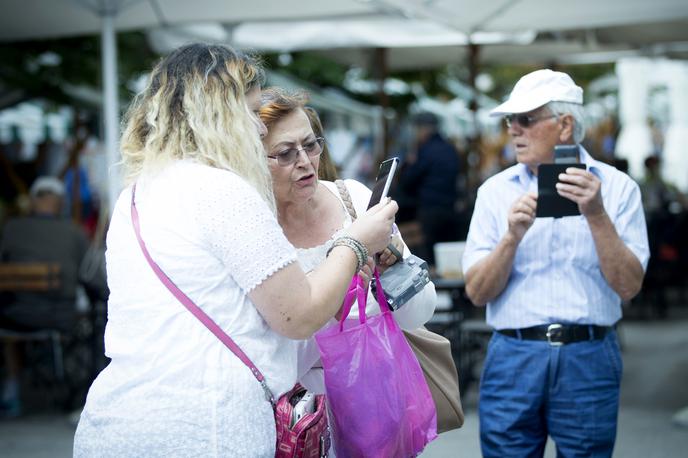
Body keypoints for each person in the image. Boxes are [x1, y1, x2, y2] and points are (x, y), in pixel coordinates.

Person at [73, 43, 397, 456]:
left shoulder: (135, 194)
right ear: (219, 117)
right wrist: (355, 242)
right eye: (250, 113)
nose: (261, 129)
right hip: (206, 428)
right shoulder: (223, 190)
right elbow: (296, 316)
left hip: (117, 420)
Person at [462, 69, 649, 457]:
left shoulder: (616, 188)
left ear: (565, 125)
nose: (513, 129)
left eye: (525, 119)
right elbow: (477, 293)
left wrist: (596, 215)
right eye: (511, 120)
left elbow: (629, 286)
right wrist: (511, 237)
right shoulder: (494, 193)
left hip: (588, 355)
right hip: (514, 354)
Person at [258, 88, 436, 396]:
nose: (305, 161)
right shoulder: (252, 226)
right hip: (295, 419)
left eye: (311, 145)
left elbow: (419, 314)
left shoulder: (352, 197)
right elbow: (267, 356)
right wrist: (337, 299)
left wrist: (390, 273)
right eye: (286, 153)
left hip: (375, 397)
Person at [0, 176, 101, 417]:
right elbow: (91, 276)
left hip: (13, 318)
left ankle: (12, 385)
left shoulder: (11, 229)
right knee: (92, 319)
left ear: (34, 202)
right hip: (59, 318)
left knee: (10, 322)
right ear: (59, 203)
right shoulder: (73, 232)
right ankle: (69, 382)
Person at [398, 111, 460, 265]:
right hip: (451, 208)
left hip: (430, 209)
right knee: (445, 254)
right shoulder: (450, 149)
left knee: (430, 257)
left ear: (423, 129)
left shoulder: (425, 151)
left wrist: (409, 163)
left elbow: (408, 181)